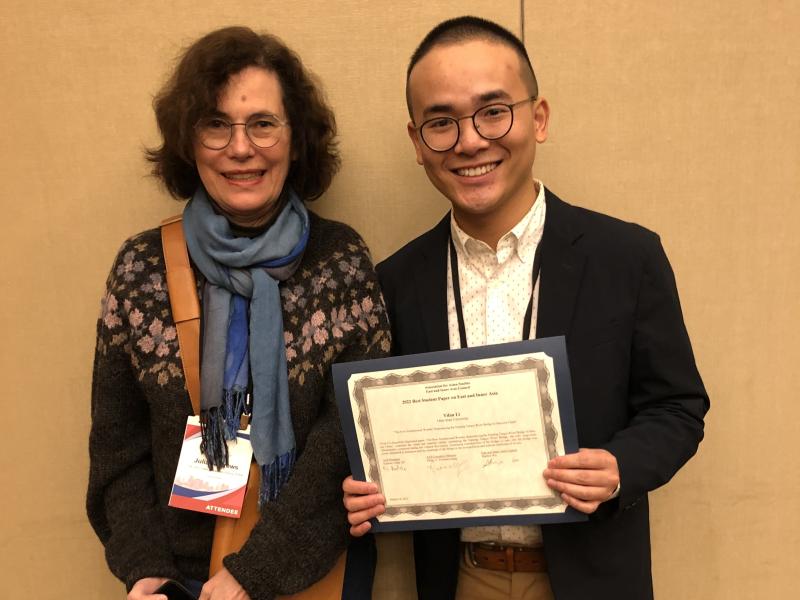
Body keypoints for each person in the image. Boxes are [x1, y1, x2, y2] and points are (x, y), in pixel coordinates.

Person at [343, 16, 709, 600]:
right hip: (458, 577)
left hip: (593, 576)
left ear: (538, 118)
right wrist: (368, 484)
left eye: (493, 111)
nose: (469, 141)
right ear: (417, 142)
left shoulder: (626, 256)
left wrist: (619, 467)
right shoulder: (395, 280)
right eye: (441, 122)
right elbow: (387, 429)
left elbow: (678, 407)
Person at [87, 26, 391, 600]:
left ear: (296, 139)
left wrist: (254, 573)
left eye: (262, 124)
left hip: (310, 574)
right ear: (189, 142)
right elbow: (116, 445)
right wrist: (145, 568)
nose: (241, 147)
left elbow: (347, 435)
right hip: (176, 580)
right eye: (216, 125)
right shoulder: (141, 267)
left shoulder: (341, 262)